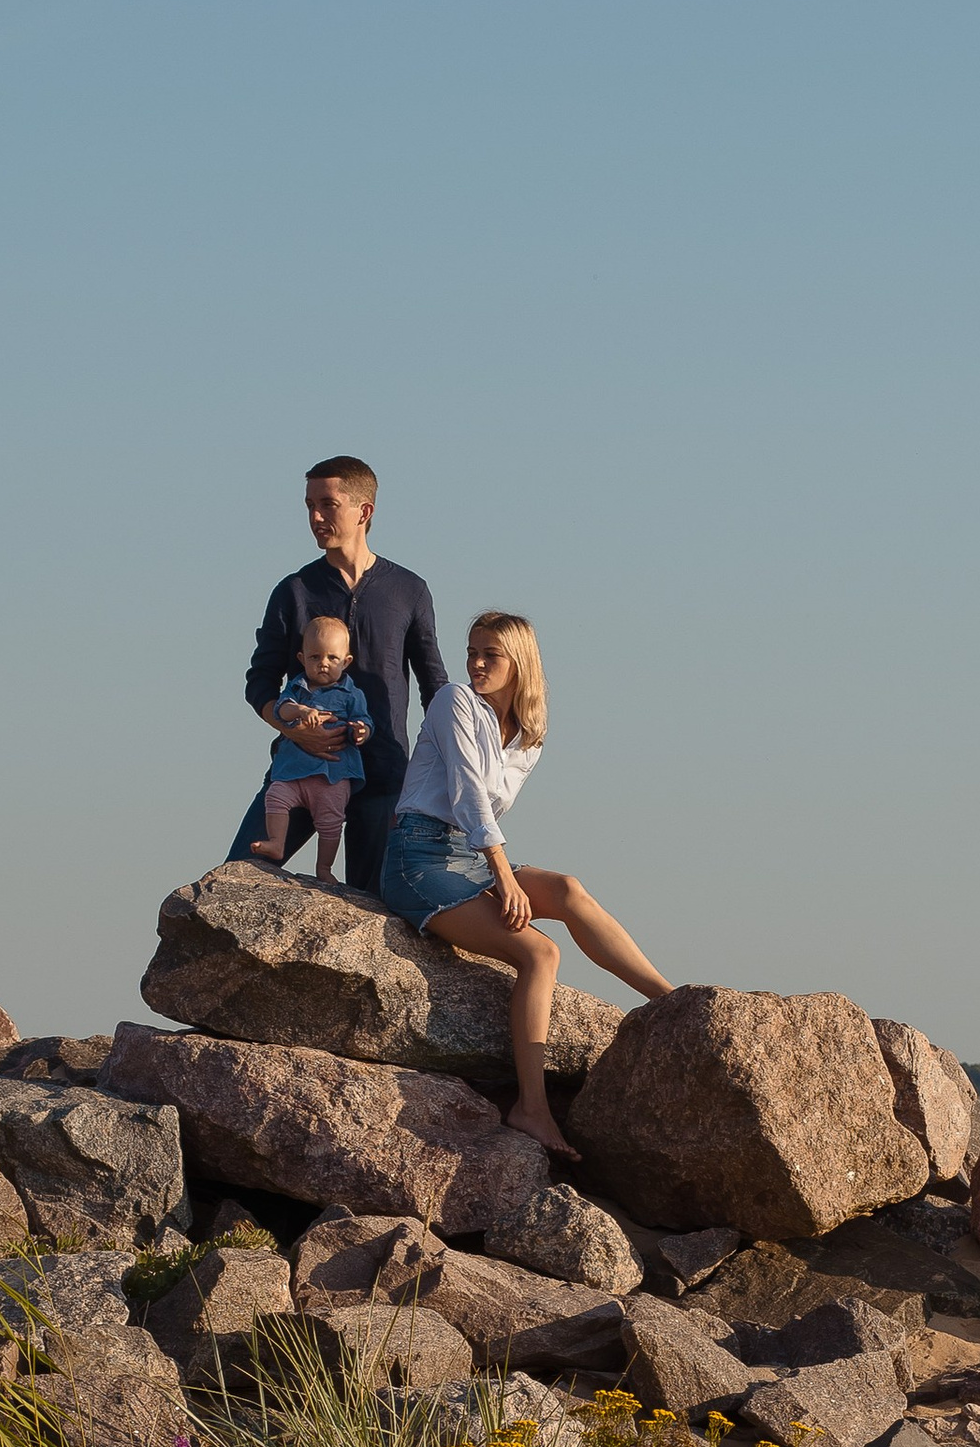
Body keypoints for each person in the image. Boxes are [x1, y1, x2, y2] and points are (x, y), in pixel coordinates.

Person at [379, 609, 673, 1155]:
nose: (475, 662)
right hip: (418, 859)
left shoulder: (528, 736)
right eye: (472, 651)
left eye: (489, 654)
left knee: (568, 889)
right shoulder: (454, 703)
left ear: (521, 664)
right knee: (540, 954)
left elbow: (488, 806)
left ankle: (670, 1002)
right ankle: (531, 1109)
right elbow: (469, 794)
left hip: (468, 854)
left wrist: (496, 872)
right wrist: (503, 878)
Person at [229, 456, 445, 898]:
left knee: (374, 906)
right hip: (300, 769)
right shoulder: (294, 591)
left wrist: (445, 768)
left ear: (364, 511)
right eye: (309, 505)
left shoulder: (409, 589)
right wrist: (292, 728)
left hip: (382, 776)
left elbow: (434, 688)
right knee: (236, 882)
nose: (315, 517)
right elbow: (260, 680)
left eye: (328, 504)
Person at [245, 613, 371, 880]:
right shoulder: (297, 688)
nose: (323, 664)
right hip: (294, 773)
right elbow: (282, 709)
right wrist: (301, 711)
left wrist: (361, 731)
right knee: (275, 796)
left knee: (331, 823)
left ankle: (323, 867)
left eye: (332, 658)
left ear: (346, 662)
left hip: (333, 777)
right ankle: (276, 842)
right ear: (302, 658)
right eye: (315, 657)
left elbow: (364, 720)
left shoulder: (351, 694)